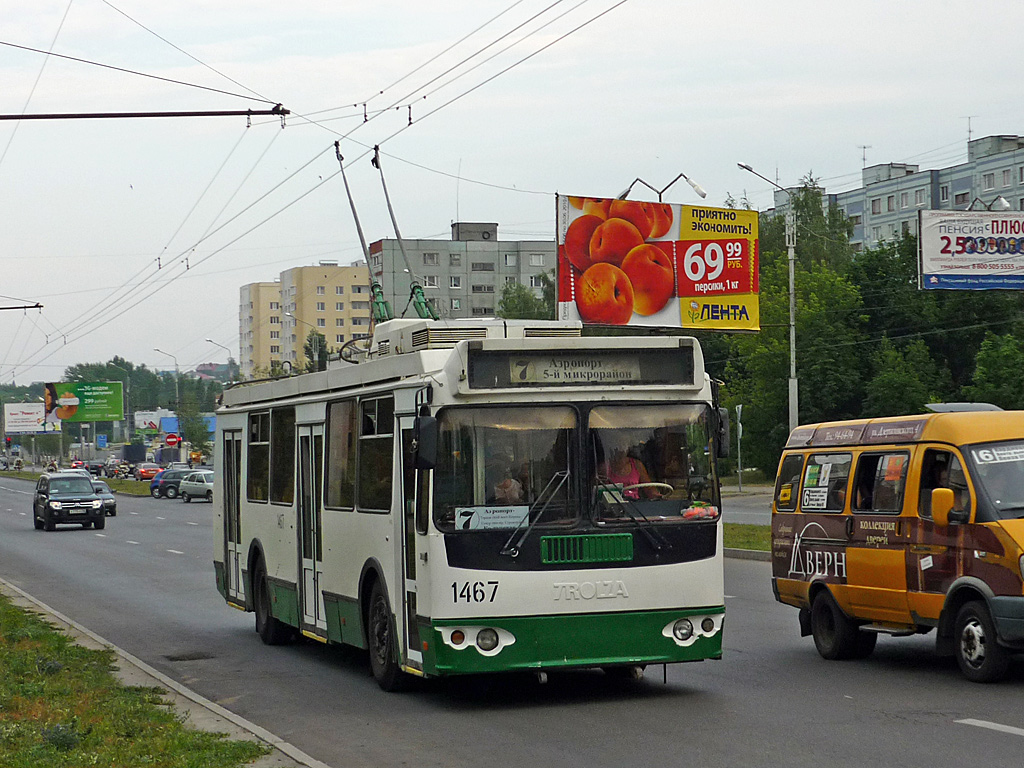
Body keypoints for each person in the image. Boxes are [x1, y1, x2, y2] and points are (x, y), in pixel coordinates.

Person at [602, 435, 656, 500]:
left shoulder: (637, 465)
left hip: (635, 507)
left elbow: (649, 489)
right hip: (614, 507)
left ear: (629, 447)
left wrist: (659, 497)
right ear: (613, 446)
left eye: (624, 444)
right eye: (619, 444)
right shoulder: (605, 467)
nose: (622, 447)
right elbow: (598, 492)